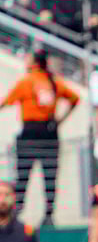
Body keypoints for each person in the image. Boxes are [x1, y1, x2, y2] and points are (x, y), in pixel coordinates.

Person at [0, 49, 80, 226]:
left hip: (30, 133)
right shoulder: (54, 82)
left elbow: (5, 102)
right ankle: (49, 215)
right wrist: (60, 120)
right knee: (50, 176)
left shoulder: (27, 82)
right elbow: (75, 99)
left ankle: (16, 214)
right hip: (50, 133)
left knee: (22, 176)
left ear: (34, 62)